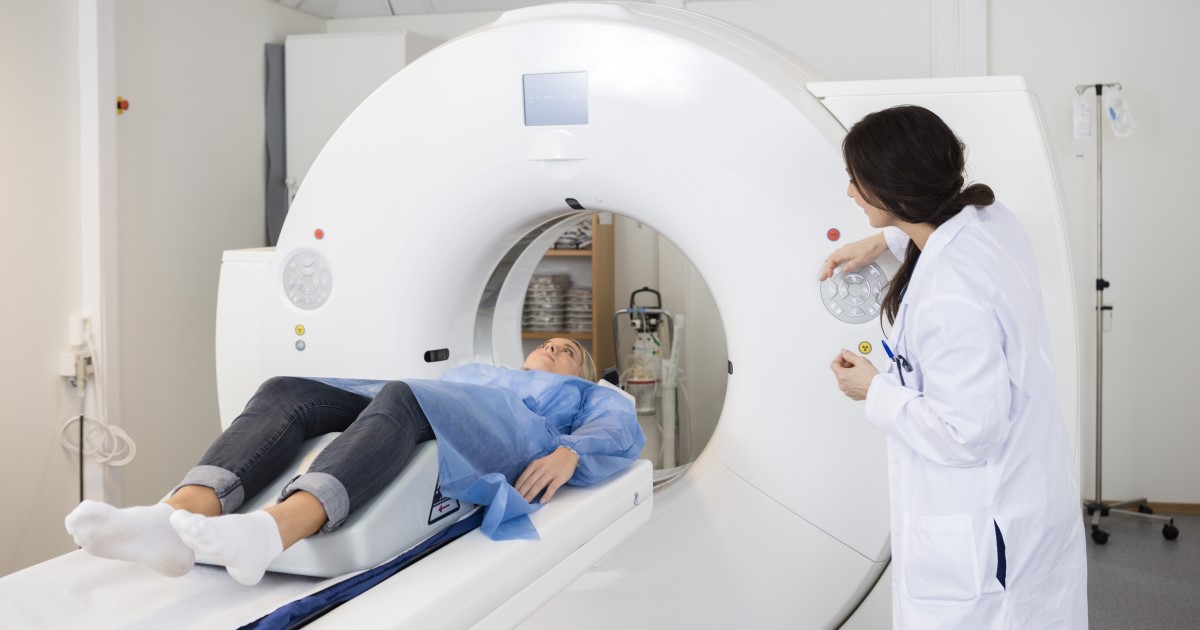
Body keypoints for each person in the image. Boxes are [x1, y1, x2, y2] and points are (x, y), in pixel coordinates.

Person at [65, 338, 644, 586]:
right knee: (288, 388)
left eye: (571, 351)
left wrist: (571, 450)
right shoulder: (478, 367)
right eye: (551, 343)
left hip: (512, 429)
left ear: (583, 374)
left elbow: (620, 432)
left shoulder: (586, 398)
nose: (557, 349)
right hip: (438, 398)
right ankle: (172, 518)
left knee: (405, 394)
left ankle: (274, 531)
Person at [822, 106, 1087, 628]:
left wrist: (872, 390)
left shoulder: (949, 296)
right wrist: (886, 236)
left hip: (987, 533)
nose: (850, 191)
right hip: (1028, 498)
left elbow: (968, 435)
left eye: (857, 180)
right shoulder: (991, 221)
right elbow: (942, 234)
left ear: (894, 190)